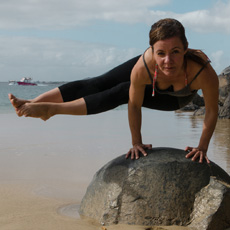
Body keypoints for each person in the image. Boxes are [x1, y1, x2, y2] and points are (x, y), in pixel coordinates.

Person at [9, 18, 219, 163]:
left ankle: (52, 109)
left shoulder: (202, 71)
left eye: (175, 52)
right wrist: (136, 142)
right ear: (152, 51)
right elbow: (134, 105)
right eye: (161, 53)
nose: (168, 61)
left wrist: (202, 147)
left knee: (122, 90)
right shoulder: (143, 66)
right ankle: (34, 102)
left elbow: (211, 110)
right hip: (149, 80)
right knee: (102, 81)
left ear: (185, 48)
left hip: (173, 100)